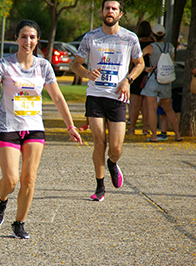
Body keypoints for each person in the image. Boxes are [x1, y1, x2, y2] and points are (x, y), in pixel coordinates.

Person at [0, 19, 82, 239]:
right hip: (8, 127)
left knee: (29, 178)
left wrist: (70, 126)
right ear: (16, 38)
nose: (28, 41)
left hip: (35, 129)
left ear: (37, 40)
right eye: (24, 36)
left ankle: (19, 223)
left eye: (33, 37)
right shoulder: (4, 64)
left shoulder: (43, 66)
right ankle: (1, 200)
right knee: (11, 181)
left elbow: (57, 97)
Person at [71, 0, 145, 202]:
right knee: (99, 143)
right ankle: (100, 186)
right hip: (95, 95)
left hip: (118, 97)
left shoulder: (129, 38)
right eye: (107, 8)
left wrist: (128, 81)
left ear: (120, 14)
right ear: (102, 12)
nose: (110, 11)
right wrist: (87, 73)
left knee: (116, 148)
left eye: (114, 9)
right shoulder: (91, 37)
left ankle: (112, 163)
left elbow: (140, 63)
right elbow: (75, 64)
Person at [141, 24, 182, 142]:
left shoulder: (150, 47)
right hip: (166, 81)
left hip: (153, 79)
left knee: (152, 109)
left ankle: (154, 136)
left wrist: (144, 68)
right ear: (164, 35)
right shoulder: (171, 47)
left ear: (152, 35)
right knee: (169, 109)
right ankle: (178, 135)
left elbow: (137, 58)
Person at [127, 21, 154, 136]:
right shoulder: (153, 44)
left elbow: (132, 61)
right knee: (146, 104)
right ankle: (145, 128)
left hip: (136, 74)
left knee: (134, 104)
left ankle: (131, 128)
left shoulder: (135, 43)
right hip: (149, 74)